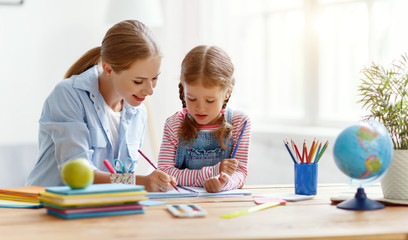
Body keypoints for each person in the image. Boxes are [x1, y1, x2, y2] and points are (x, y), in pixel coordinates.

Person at [26, 20, 176, 192]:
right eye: (138, 81)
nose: (150, 90)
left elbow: (119, 177)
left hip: (100, 209)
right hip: (47, 207)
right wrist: (140, 182)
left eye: (155, 78)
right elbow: (78, 175)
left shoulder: (137, 112)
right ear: (109, 70)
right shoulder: (68, 95)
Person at [157, 45, 251, 193]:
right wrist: (212, 172)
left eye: (210, 101)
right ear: (183, 89)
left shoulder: (240, 122)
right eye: (192, 98)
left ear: (227, 93)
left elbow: (240, 173)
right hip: (183, 203)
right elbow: (164, 172)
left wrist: (224, 183)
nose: (200, 108)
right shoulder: (174, 124)